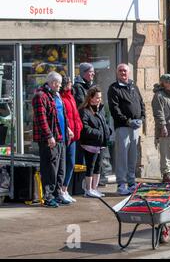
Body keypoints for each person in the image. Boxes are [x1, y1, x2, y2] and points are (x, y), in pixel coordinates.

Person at [32, 71, 72, 207]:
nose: (60, 86)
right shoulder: (40, 96)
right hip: (49, 139)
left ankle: (57, 194)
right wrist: (49, 136)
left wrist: (67, 128)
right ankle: (48, 197)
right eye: (59, 84)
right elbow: (41, 119)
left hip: (60, 137)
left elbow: (62, 114)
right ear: (53, 83)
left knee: (60, 168)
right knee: (50, 168)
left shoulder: (55, 95)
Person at [108, 63, 145, 195]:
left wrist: (142, 118)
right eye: (120, 71)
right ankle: (121, 184)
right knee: (122, 157)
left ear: (129, 73)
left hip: (135, 127)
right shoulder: (114, 88)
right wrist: (128, 121)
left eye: (125, 71)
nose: (123, 73)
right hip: (123, 127)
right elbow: (114, 109)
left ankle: (131, 182)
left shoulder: (133, 86)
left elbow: (141, 103)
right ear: (117, 73)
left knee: (132, 157)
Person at [79, 86, 112, 198]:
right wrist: (99, 133)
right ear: (91, 98)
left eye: (100, 97)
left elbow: (104, 123)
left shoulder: (99, 109)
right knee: (90, 166)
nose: (99, 99)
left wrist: (108, 131)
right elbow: (85, 128)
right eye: (97, 97)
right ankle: (88, 189)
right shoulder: (84, 111)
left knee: (98, 167)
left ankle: (94, 188)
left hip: (101, 144)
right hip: (90, 144)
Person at [60, 76, 83, 203]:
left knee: (71, 163)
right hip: (65, 135)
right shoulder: (61, 98)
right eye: (69, 83)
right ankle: (61, 190)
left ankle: (65, 189)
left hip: (73, 134)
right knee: (64, 164)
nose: (71, 85)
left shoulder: (71, 97)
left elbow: (75, 114)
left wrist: (79, 126)